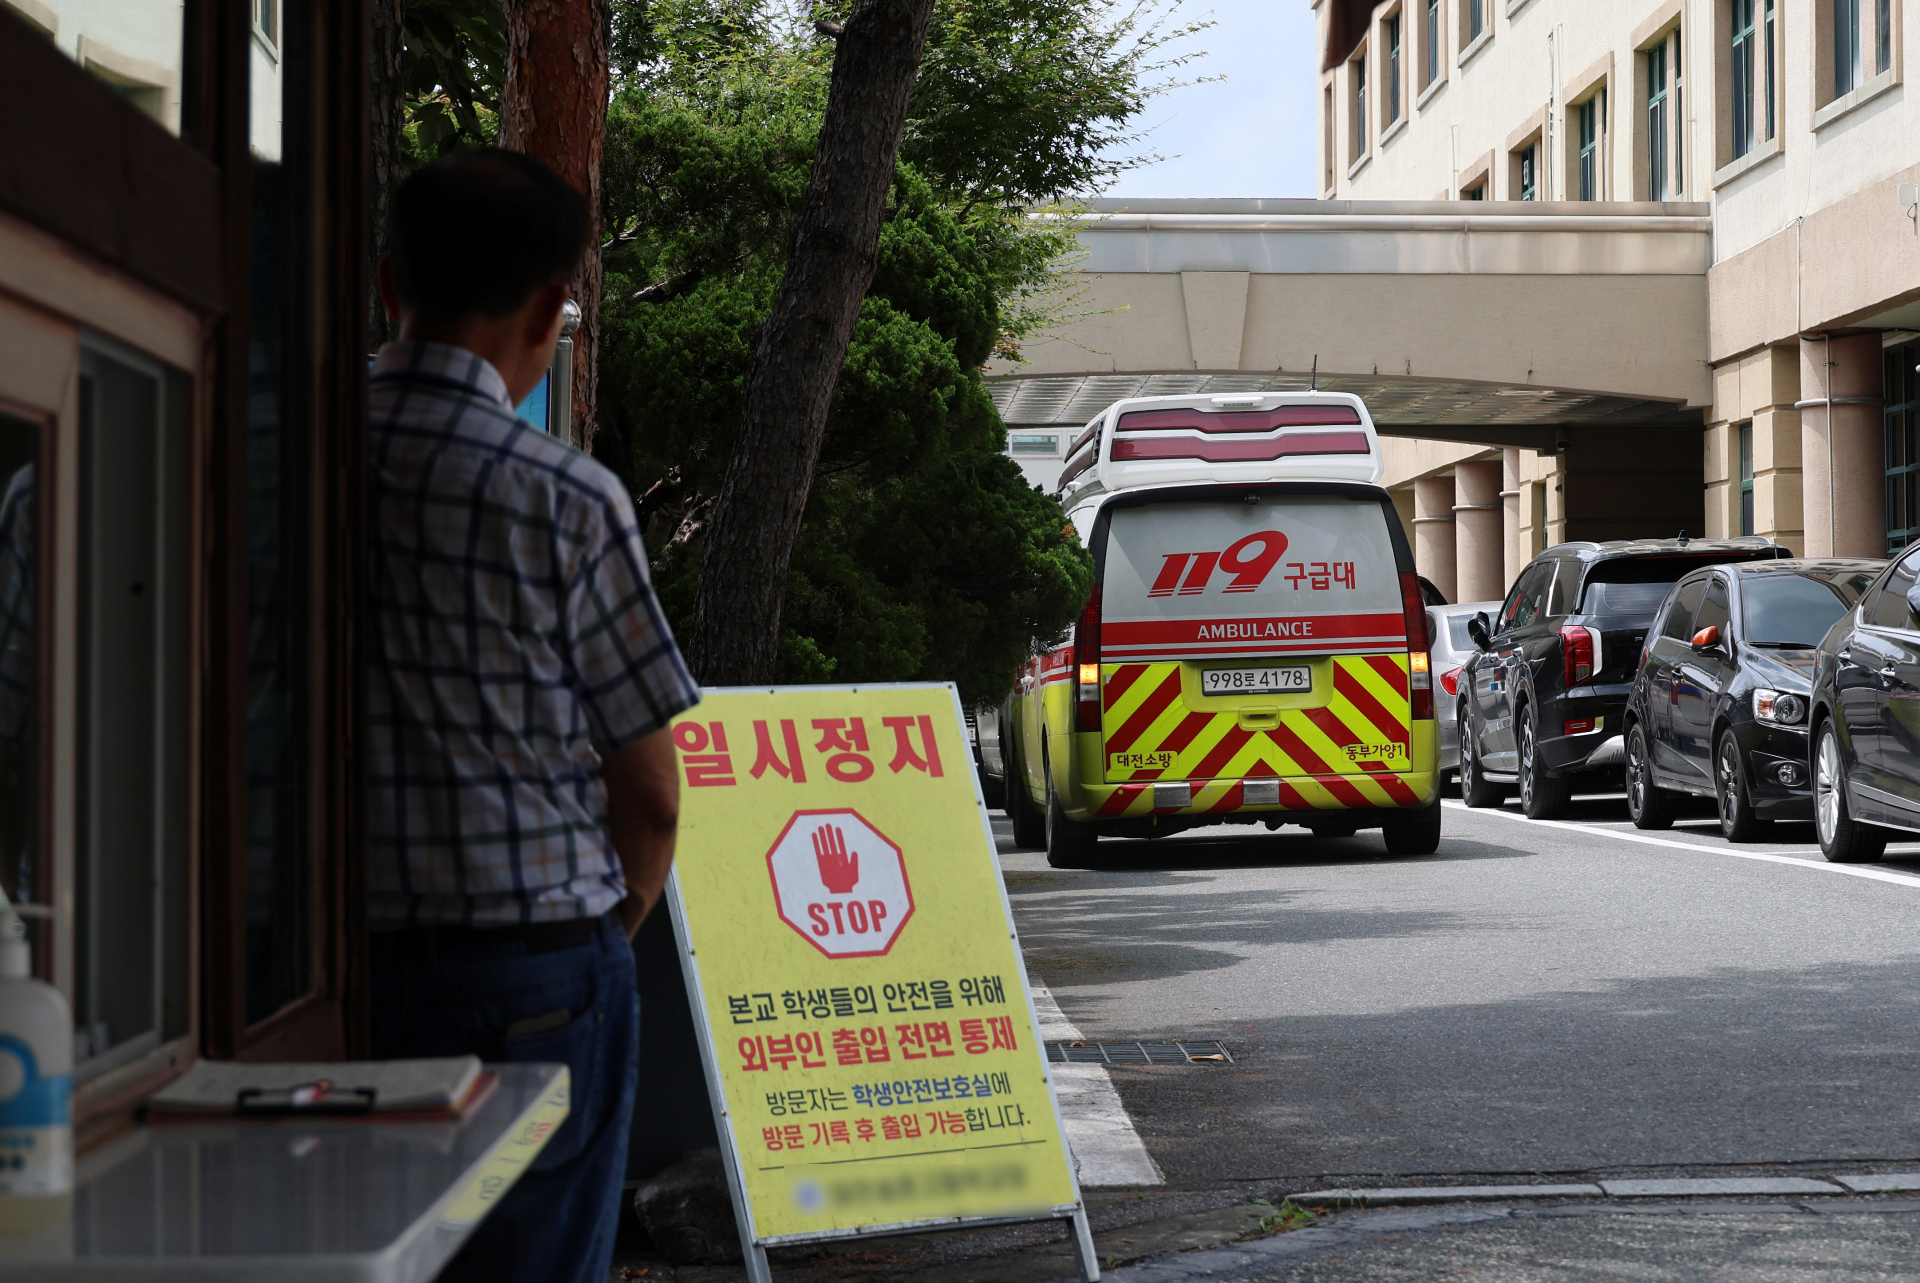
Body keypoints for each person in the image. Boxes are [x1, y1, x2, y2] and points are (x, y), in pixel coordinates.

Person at [366, 149, 699, 1283]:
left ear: (386, 285)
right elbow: (650, 795)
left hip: (282, 979)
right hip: (529, 979)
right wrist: (605, 940)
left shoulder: (246, 451)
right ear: (554, 305)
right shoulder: (562, 495)